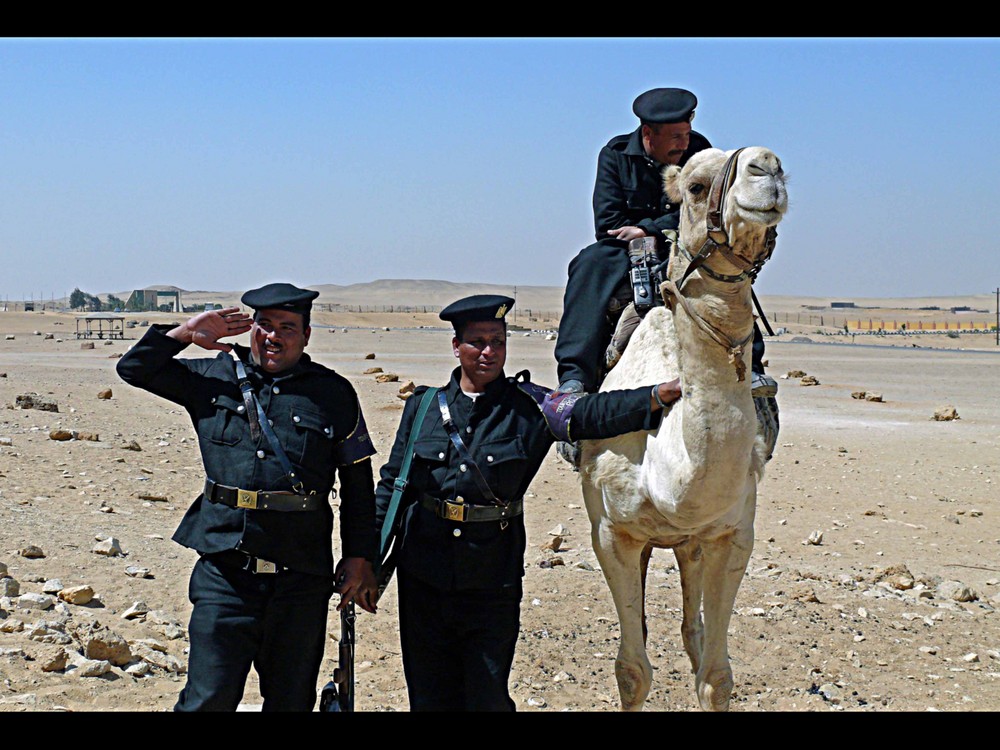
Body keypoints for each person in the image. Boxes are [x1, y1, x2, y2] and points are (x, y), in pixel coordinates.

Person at [374, 294, 683, 711]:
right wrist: (366, 560)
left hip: (491, 579)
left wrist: (657, 395)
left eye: (497, 341)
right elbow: (394, 487)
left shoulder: (532, 407)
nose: (489, 351)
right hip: (423, 575)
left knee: (487, 695)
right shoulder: (424, 406)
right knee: (429, 696)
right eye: (477, 341)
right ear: (456, 346)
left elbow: (592, 412)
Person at [116, 282, 378, 712]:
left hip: (300, 578)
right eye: (265, 325)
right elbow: (135, 369)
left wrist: (359, 557)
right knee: (207, 699)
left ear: (307, 335)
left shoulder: (333, 393)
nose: (273, 336)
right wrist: (185, 332)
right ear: (251, 328)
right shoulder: (212, 378)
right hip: (225, 572)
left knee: (291, 701)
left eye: (288, 327)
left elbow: (357, 484)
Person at [554, 86, 775, 398]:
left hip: (689, 242)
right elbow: (608, 226)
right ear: (648, 133)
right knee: (589, 262)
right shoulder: (615, 155)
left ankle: (751, 368)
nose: (684, 144)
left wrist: (648, 230)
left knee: (729, 272)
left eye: (686, 133)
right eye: (675, 137)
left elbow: (712, 209)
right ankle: (575, 378)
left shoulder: (700, 151)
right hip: (625, 251)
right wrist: (644, 235)